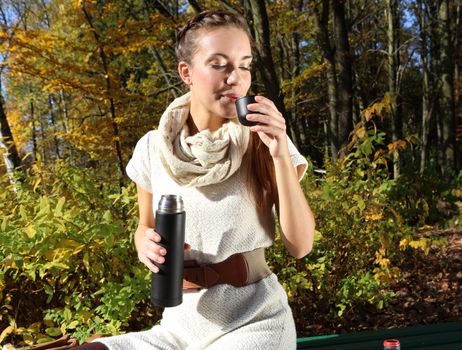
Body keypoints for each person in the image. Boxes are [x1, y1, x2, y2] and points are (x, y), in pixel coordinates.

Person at [78, 8, 315, 350]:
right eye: (219, 64)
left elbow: (300, 245)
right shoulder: (151, 148)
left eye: (245, 65)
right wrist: (144, 244)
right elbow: (143, 228)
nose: (236, 78)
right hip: (177, 329)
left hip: (255, 323)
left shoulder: (263, 140)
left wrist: (279, 153)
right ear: (186, 72)